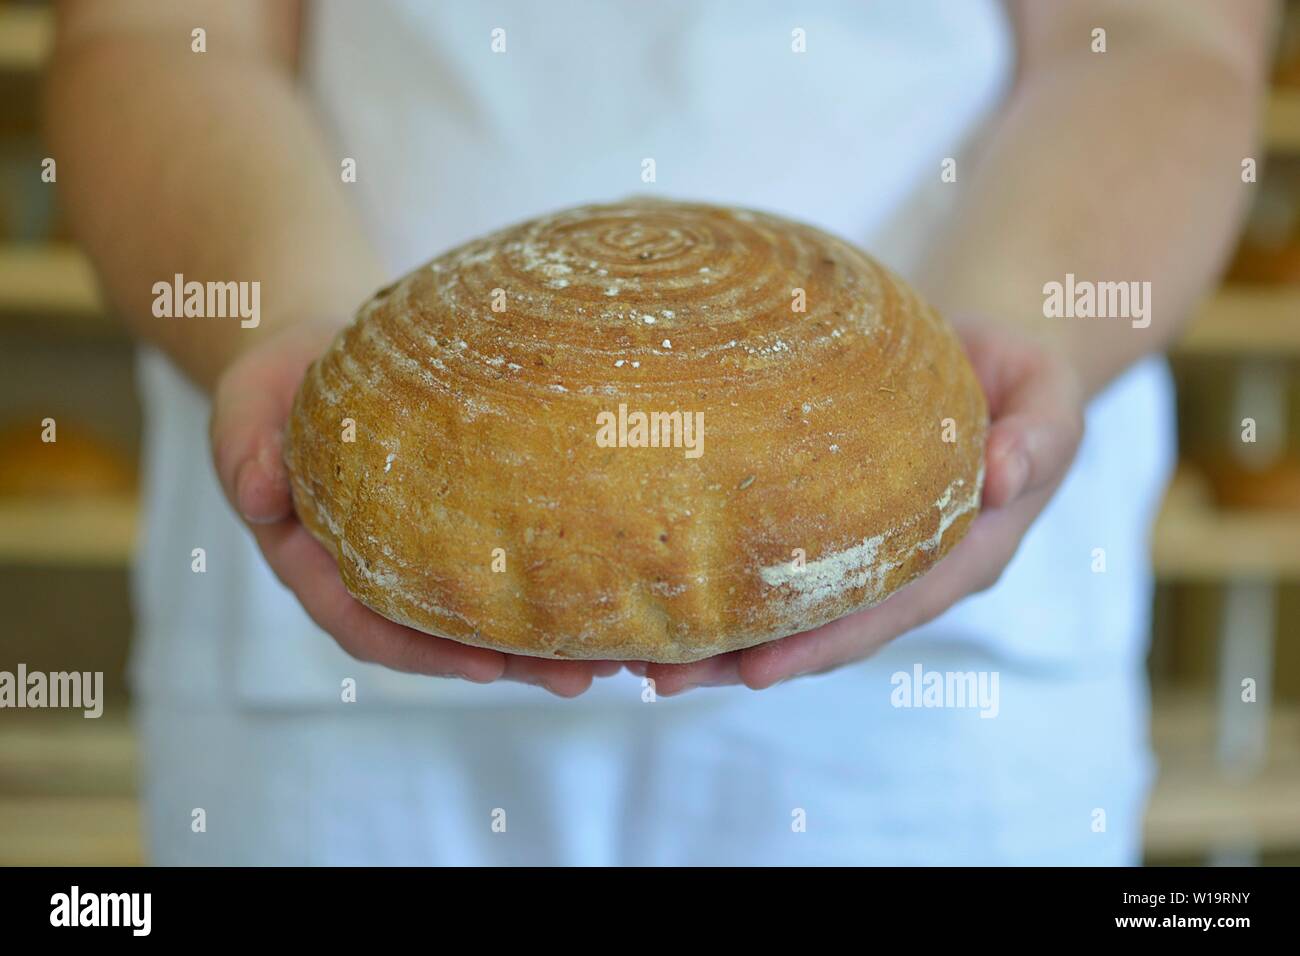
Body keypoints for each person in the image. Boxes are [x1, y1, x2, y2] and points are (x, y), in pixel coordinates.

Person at [47, 0, 1273, 865]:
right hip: (332, 696)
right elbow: (148, 29)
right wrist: (278, 317)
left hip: (941, 705)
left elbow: (1162, 38)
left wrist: (1019, 323)